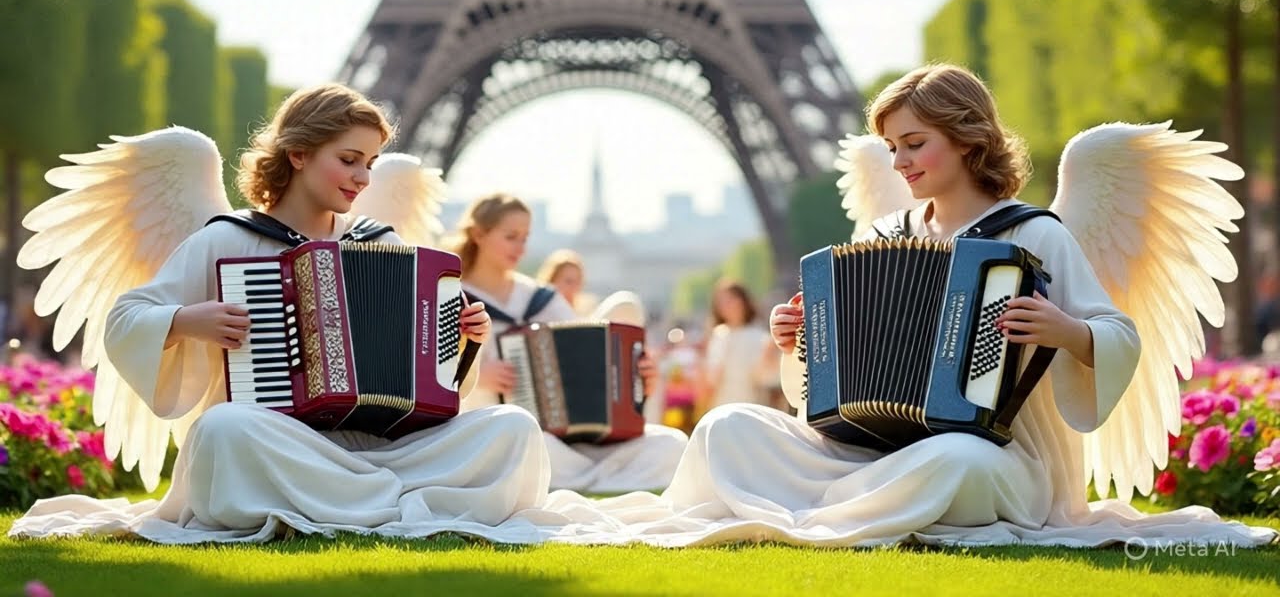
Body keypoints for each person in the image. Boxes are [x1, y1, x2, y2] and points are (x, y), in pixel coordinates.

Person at [572, 64, 1275, 548]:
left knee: (956, 461)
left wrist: (1066, 330)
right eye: (893, 148)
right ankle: (845, 508)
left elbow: (1118, 332)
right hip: (871, 450)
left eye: (915, 145)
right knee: (726, 427)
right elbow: (832, 382)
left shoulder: (1033, 233)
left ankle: (816, 511)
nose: (901, 163)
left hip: (991, 453)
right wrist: (798, 344)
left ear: (967, 139)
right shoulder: (883, 236)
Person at [9, 84, 552, 543]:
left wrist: (462, 338)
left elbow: (437, 384)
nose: (363, 178)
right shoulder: (227, 238)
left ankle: (344, 504)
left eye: (370, 164)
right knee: (223, 430)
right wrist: (184, 321)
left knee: (514, 430)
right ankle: (402, 505)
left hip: (383, 448)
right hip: (285, 442)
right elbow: (126, 318)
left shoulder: (381, 243)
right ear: (298, 154)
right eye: (348, 160)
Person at [454, 193, 687, 493]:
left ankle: (576, 476)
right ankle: (595, 477)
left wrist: (638, 381)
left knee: (671, 445)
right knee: (524, 442)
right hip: (492, 429)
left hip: (560, 439)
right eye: (511, 237)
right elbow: (427, 374)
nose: (520, 248)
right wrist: (478, 375)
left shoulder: (542, 300)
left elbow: (588, 356)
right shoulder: (452, 296)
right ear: (478, 234)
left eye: (525, 238)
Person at [699, 279, 780, 413]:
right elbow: (711, 379)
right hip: (722, 408)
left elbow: (765, 379)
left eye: (730, 300)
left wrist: (768, 357)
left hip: (752, 409)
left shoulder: (761, 336)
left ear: (743, 301)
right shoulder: (719, 335)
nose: (726, 306)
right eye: (721, 302)